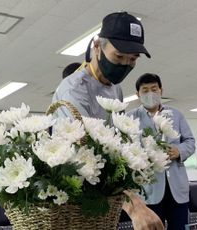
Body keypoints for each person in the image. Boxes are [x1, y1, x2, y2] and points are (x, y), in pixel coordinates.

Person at [52, 12, 164, 230]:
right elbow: (83, 156)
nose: (125, 64)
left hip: (105, 195)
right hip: (74, 194)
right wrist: (134, 205)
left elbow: (112, 146)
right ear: (97, 46)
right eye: (119, 56)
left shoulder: (115, 88)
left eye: (132, 60)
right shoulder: (73, 89)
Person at [127, 73, 195, 230]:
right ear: (137, 94)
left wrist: (179, 150)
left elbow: (190, 142)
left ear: (161, 90)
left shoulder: (176, 115)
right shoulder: (130, 118)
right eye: (145, 90)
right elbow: (125, 150)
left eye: (154, 89)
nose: (150, 93)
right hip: (148, 191)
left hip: (177, 189)